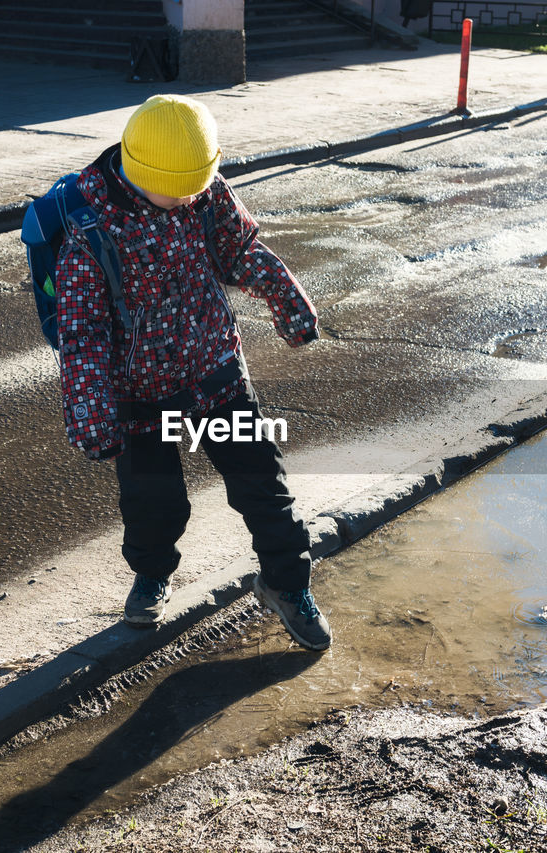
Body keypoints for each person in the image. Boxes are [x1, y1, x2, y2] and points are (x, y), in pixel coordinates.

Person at [54, 94, 331, 651]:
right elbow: (82, 334)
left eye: (197, 186)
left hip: (217, 374)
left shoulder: (205, 193)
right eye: (175, 189)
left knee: (265, 491)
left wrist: (285, 296)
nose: (188, 198)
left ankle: (286, 584)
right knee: (155, 504)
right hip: (142, 400)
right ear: (138, 173)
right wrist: (92, 413)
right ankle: (152, 573)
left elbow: (239, 250)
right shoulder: (89, 227)